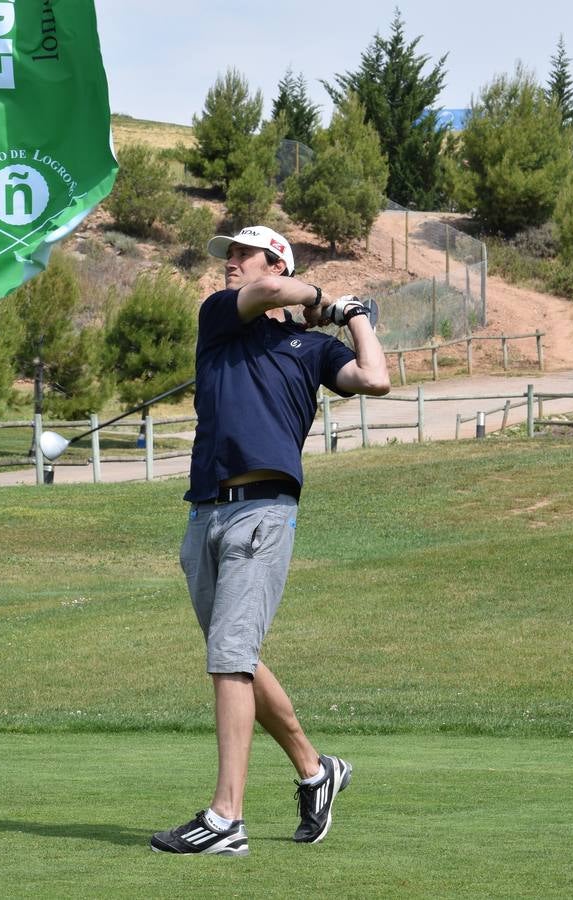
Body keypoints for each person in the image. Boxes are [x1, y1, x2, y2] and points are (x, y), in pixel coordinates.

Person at [150, 226, 390, 857]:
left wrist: (354, 315)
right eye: (228, 255)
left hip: (263, 511)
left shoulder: (311, 348)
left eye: (241, 254)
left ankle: (226, 819)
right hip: (205, 514)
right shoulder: (219, 319)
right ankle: (317, 770)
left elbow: (374, 378)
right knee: (239, 658)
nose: (228, 263)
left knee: (230, 657)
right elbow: (269, 291)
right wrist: (319, 295)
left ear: (276, 259)